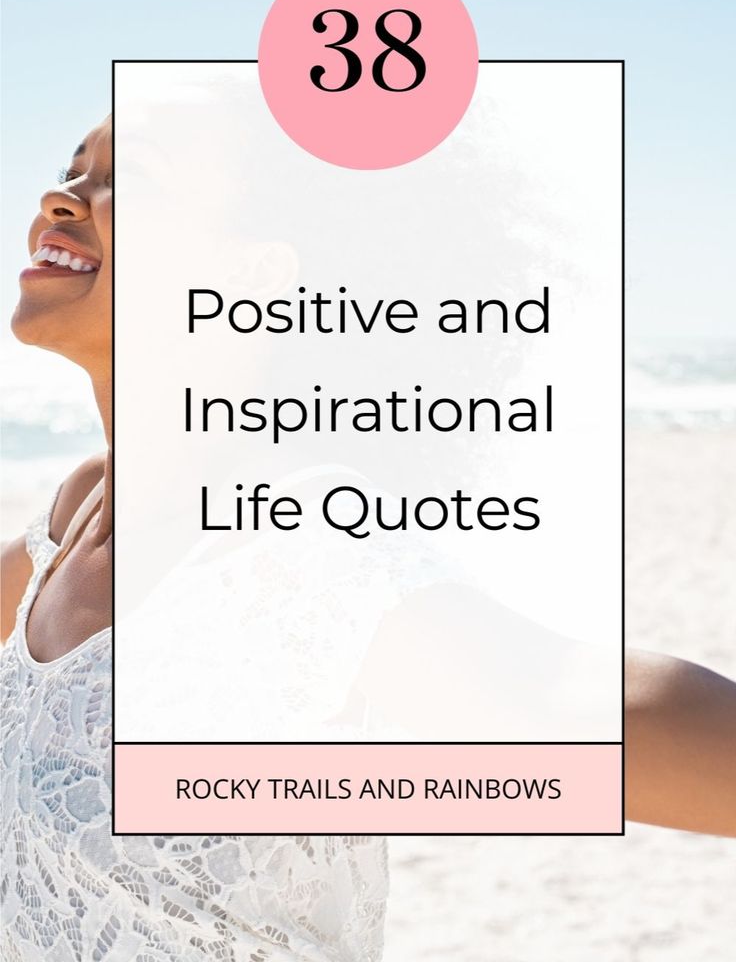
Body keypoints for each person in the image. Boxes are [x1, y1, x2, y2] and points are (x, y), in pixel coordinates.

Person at [2, 117, 734, 960]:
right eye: (72, 168)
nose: (61, 198)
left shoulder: (290, 555)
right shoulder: (77, 513)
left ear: (255, 276)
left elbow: (592, 704)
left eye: (129, 179)